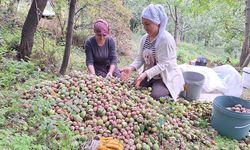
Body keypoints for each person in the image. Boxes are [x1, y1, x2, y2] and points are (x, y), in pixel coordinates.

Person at [121, 4, 184, 101]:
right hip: (150, 75)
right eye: (143, 24)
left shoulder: (165, 40)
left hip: (164, 77)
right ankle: (152, 84)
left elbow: (163, 65)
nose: (145, 27)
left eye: (148, 24)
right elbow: (140, 58)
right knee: (135, 86)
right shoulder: (144, 39)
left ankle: (170, 95)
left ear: (157, 23)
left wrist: (145, 74)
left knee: (156, 96)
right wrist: (131, 67)